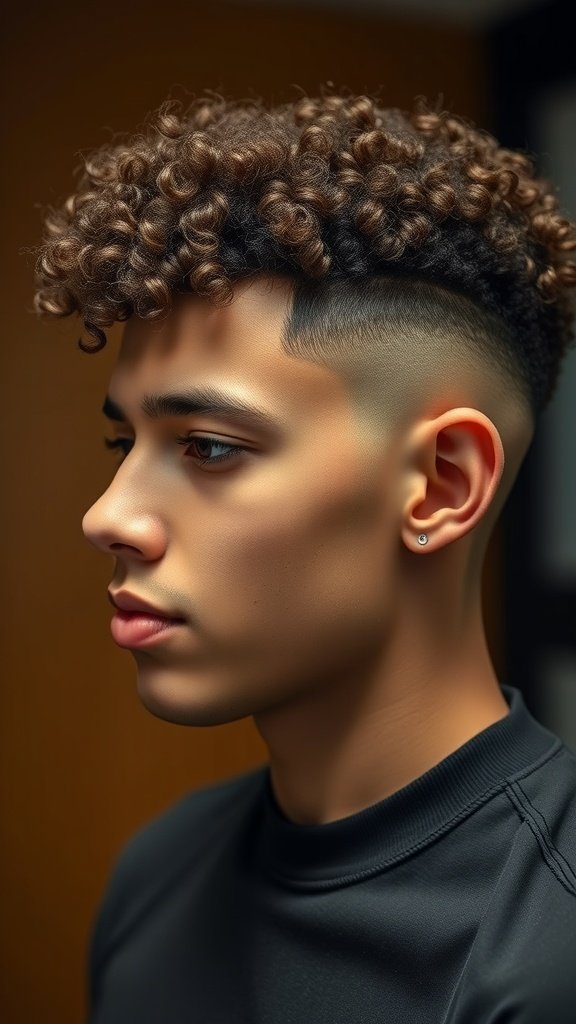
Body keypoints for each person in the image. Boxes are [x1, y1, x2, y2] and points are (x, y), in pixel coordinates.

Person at [34, 90, 576, 1023]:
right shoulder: (157, 876)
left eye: (208, 446)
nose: (109, 516)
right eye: (128, 446)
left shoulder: (548, 949)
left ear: (444, 486)